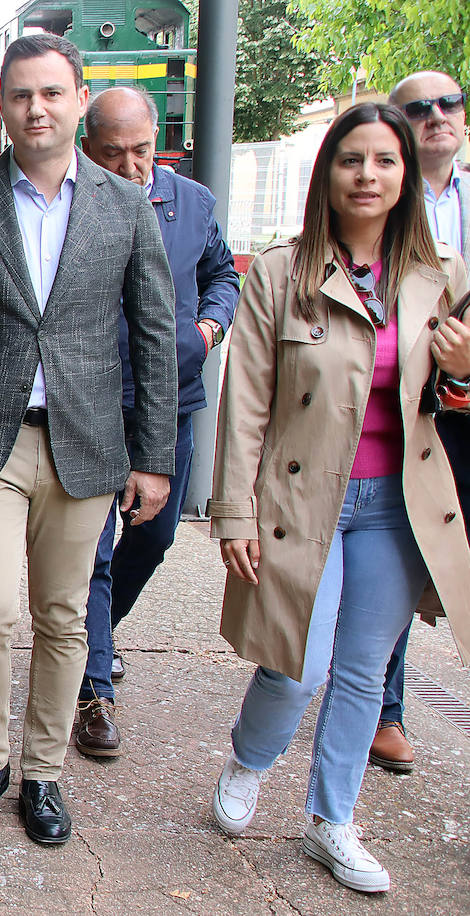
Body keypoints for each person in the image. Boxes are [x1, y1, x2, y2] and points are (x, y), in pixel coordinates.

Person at [0, 34, 177, 848]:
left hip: (86, 447)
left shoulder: (124, 206)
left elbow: (154, 336)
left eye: (53, 93)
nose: (37, 108)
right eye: (22, 94)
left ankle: (44, 775)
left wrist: (154, 456)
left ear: (78, 98)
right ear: (4, 104)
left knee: (63, 619)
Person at [207, 102, 470, 893]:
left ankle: (332, 820)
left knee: (363, 669)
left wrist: (460, 373)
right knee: (297, 663)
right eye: (353, 160)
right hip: (301, 501)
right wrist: (233, 510)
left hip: (399, 504)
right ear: (329, 171)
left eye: (385, 162)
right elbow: (246, 400)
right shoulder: (287, 272)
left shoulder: (442, 275)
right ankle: (250, 759)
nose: (368, 176)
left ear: (404, 177)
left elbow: (451, 401)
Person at [73, 87, 240, 756]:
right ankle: (92, 691)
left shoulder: (192, 202)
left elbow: (222, 273)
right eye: (114, 154)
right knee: (93, 549)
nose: (133, 166)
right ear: (89, 149)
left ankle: (95, 632)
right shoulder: (72, 202)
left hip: (170, 401)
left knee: (157, 534)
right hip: (90, 404)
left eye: (142, 150)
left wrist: (208, 327)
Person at [371, 72, 469, 773]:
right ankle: (385, 705)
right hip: (405, 417)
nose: (437, 117)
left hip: (461, 403)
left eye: (450, 104)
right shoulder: (380, 198)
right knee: (401, 556)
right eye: (420, 108)